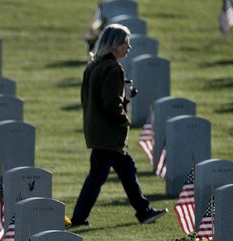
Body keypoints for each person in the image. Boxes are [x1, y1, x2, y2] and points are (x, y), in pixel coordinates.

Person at [69, 24, 166, 227]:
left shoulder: (93, 66)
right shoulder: (113, 68)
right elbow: (111, 104)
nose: (128, 47)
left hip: (97, 130)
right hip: (110, 133)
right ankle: (78, 218)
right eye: (124, 42)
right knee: (98, 177)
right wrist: (124, 119)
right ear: (113, 44)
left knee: (126, 170)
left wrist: (125, 96)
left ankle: (143, 211)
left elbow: (93, 99)